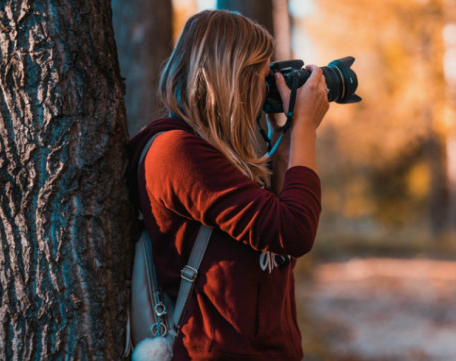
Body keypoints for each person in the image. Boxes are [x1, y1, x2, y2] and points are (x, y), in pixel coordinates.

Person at [126, 10, 328, 360]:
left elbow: (279, 216)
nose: (264, 89)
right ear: (234, 77)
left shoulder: (220, 155)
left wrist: (279, 128)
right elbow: (294, 229)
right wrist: (304, 129)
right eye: (260, 78)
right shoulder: (175, 151)